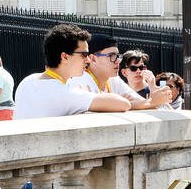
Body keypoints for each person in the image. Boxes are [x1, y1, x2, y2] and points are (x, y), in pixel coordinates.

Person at [12, 24, 140, 120]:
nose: (88, 59)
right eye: (84, 54)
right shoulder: (65, 93)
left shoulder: (28, 81)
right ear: (65, 56)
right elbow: (123, 104)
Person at [70, 34, 172, 108]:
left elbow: (138, 101)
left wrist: (152, 100)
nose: (118, 61)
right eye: (111, 56)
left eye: (118, 56)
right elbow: (126, 104)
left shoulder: (114, 79)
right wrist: (151, 102)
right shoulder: (81, 80)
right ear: (93, 59)